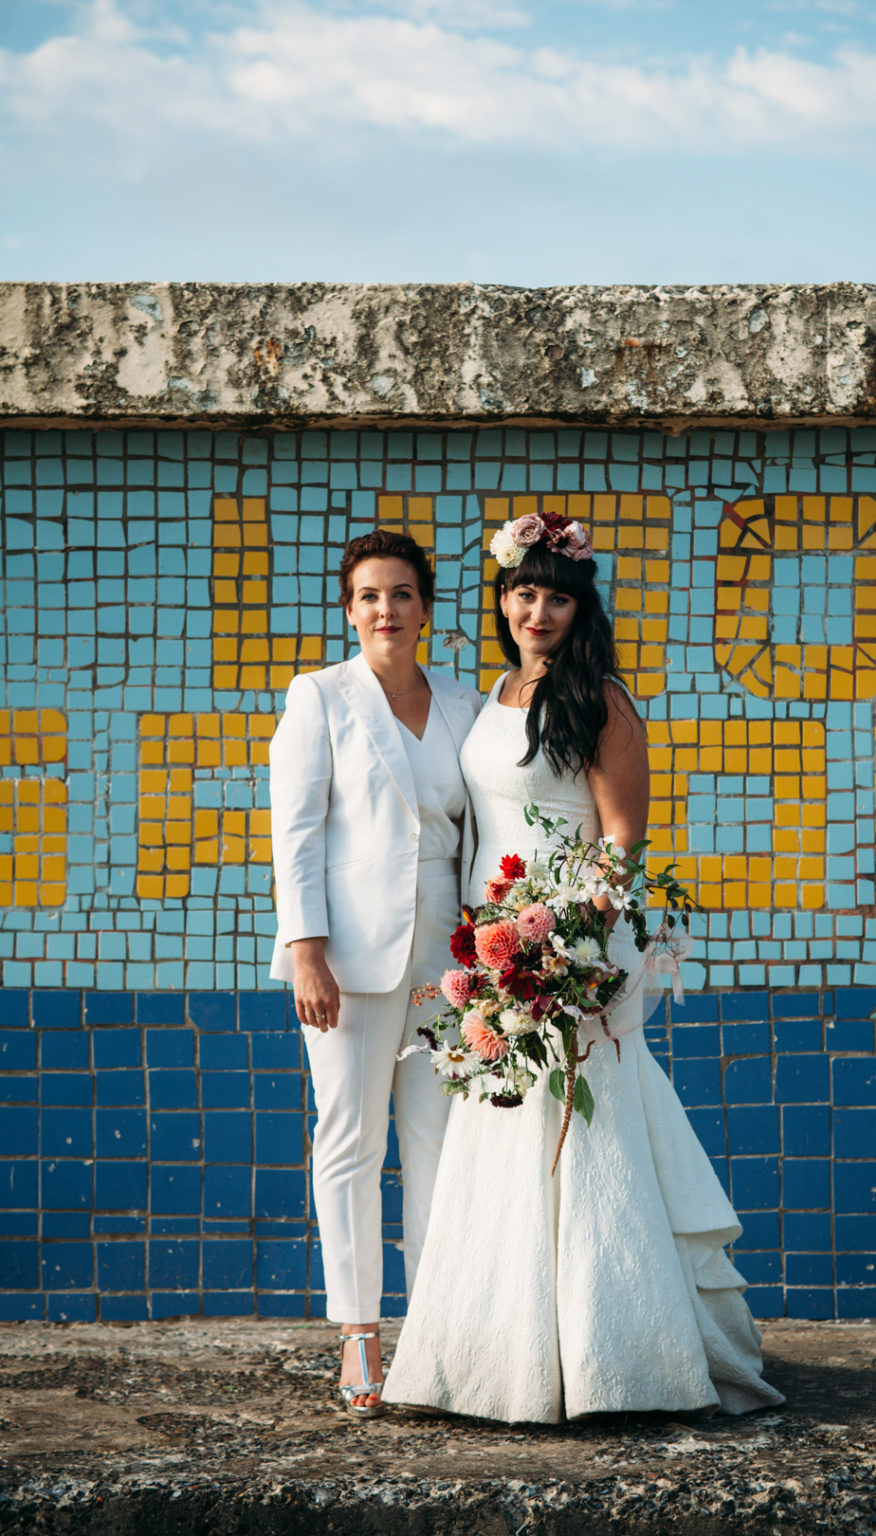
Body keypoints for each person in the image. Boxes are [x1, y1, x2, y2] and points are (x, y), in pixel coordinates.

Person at [382, 512, 784, 1422]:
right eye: (524, 592)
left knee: (579, 1136)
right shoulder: (493, 693)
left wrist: (563, 942)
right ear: (502, 599)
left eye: (556, 596)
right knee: (499, 1137)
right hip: (493, 946)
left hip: (572, 950)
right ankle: (499, 1358)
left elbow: (622, 842)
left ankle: (613, 1358)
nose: (538, 610)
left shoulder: (599, 700)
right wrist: (492, 940)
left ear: (579, 606)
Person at [268, 529, 480, 1417]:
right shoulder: (319, 697)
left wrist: (489, 948)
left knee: (438, 1145)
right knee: (351, 1143)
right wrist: (306, 950)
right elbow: (298, 831)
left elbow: (480, 831)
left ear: (426, 609)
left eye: (400, 593)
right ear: (349, 610)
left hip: (450, 955)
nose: (384, 609)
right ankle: (359, 1336)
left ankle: (432, 1337)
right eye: (367, 596)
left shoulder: (468, 704)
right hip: (346, 956)